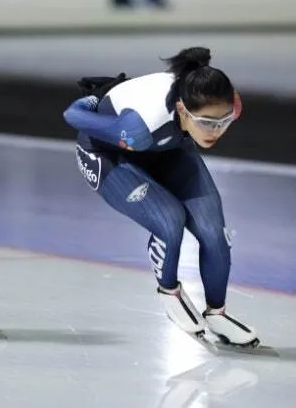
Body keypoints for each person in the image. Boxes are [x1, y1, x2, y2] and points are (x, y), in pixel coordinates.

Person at [63, 47, 259, 347]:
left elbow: (210, 117)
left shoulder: (228, 102)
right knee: (170, 221)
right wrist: (93, 100)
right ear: (181, 109)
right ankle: (169, 292)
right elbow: (72, 115)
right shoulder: (138, 127)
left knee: (214, 234)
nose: (215, 131)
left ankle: (217, 313)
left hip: (168, 148)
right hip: (110, 153)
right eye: (207, 122)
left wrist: (206, 122)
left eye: (224, 121)